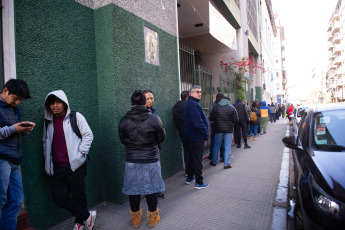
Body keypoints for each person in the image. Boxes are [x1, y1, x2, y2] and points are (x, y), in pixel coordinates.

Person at [43, 90, 95, 230]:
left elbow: (88, 135)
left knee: (79, 195)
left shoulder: (75, 117)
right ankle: (87, 216)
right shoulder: (48, 122)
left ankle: (79, 223)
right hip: (57, 167)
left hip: (75, 165)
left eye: (58, 102)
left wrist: (80, 154)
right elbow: (45, 141)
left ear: (65, 103)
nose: (55, 106)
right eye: (52, 103)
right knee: (59, 198)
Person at [119, 90, 166, 228]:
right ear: (143, 102)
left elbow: (123, 139)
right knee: (151, 189)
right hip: (151, 158)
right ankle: (152, 219)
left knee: (133, 190)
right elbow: (162, 137)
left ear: (132, 103)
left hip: (132, 159)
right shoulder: (154, 118)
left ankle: (135, 220)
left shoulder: (124, 120)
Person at [0, 79, 33, 230]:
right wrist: (13, 129)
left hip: (15, 160)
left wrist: (24, 130)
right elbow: (10, 130)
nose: (17, 102)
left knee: (16, 201)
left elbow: (12, 132)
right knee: (1, 200)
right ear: (5, 90)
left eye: (20, 100)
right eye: (15, 98)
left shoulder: (15, 109)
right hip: (2, 159)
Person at [184, 85, 209, 189]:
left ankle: (190, 177)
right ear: (191, 93)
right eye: (197, 92)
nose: (199, 94)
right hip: (196, 137)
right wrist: (205, 132)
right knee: (197, 159)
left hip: (191, 136)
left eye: (200, 92)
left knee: (191, 158)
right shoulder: (194, 105)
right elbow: (197, 123)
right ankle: (199, 182)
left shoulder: (190, 103)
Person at [143, 90, 165, 200]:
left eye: (151, 98)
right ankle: (149, 194)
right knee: (147, 172)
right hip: (143, 149)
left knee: (156, 170)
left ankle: (156, 191)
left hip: (155, 147)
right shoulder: (140, 115)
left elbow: (161, 132)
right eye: (147, 98)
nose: (150, 101)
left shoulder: (153, 113)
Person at [210, 96, 239, 168]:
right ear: (228, 101)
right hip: (229, 130)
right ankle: (226, 164)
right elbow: (236, 120)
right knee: (227, 146)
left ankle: (214, 161)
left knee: (216, 145)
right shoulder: (232, 108)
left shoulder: (216, 107)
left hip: (218, 130)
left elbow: (211, 118)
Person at [172, 91, 189, 175]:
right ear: (187, 97)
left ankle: (187, 170)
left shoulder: (176, 106)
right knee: (192, 150)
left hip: (181, 130)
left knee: (186, 150)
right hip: (190, 130)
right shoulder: (189, 105)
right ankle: (191, 171)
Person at [208, 92, 224, 162]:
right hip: (222, 126)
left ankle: (212, 156)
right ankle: (222, 157)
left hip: (214, 125)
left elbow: (211, 116)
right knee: (222, 142)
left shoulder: (212, 105)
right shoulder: (223, 106)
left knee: (213, 142)